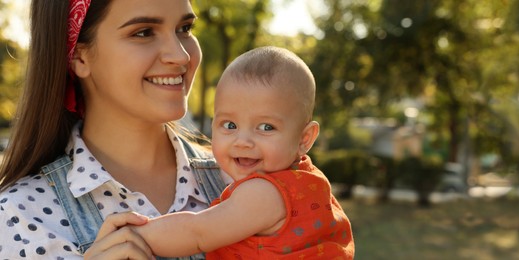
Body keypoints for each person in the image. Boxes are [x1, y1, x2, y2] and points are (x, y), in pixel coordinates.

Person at [0, 0, 230, 259]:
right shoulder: (20, 216)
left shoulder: (242, 179)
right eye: (143, 32)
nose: (181, 56)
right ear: (79, 57)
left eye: (185, 28)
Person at [132, 46, 355, 259]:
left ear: (304, 139)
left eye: (266, 127)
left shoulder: (264, 192)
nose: (243, 141)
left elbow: (198, 232)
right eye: (230, 125)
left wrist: (138, 235)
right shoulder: (307, 180)